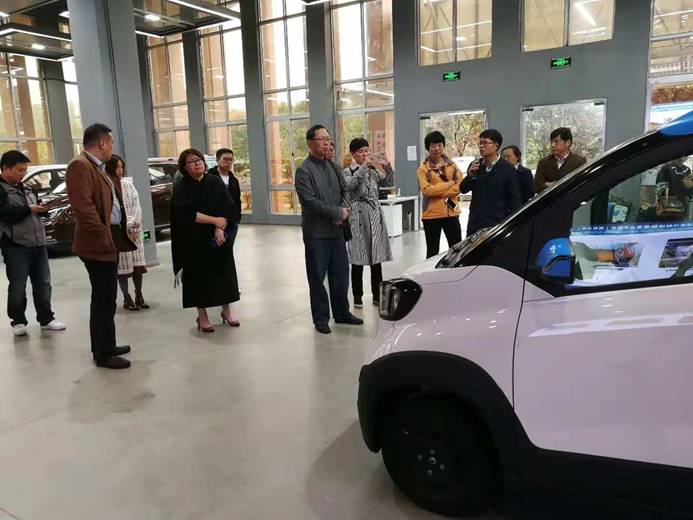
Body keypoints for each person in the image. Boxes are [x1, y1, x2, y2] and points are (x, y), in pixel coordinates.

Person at [66, 124, 137, 369]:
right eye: (111, 142)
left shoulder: (96, 166)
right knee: (103, 299)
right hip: (97, 243)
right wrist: (102, 235)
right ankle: (104, 354)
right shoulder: (80, 166)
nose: (112, 147)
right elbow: (84, 208)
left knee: (107, 298)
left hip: (108, 239)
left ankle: (106, 344)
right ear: (102, 143)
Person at [295, 124, 363, 334]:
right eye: (322, 140)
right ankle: (321, 318)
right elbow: (309, 201)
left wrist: (343, 211)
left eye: (328, 139)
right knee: (317, 277)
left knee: (341, 275)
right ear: (310, 143)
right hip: (317, 234)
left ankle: (342, 313)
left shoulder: (333, 166)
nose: (326, 143)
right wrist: (336, 213)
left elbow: (346, 191)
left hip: (337, 231)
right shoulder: (304, 171)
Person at [170, 148, 240, 332]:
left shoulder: (214, 181)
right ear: (185, 167)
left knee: (224, 272)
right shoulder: (182, 187)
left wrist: (220, 227)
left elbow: (227, 206)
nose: (197, 163)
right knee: (197, 277)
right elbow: (186, 214)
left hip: (217, 238)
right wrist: (214, 221)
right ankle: (202, 316)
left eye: (199, 159)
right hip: (194, 239)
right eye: (192, 161)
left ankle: (227, 311)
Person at [0, 150, 65, 337]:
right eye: (19, 170)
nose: (23, 174)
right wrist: (30, 209)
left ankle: (46, 319)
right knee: (18, 286)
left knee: (43, 283)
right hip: (15, 245)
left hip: (38, 242)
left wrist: (42, 209)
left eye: (25, 170)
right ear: (5, 168)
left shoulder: (27, 188)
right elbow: (6, 214)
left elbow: (36, 209)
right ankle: (18, 321)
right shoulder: (1, 191)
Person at [342, 138, 393, 307]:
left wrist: (387, 166)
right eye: (360, 152)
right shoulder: (347, 171)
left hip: (374, 213)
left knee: (376, 257)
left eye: (366, 151)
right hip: (357, 214)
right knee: (358, 256)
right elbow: (350, 185)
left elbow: (388, 183)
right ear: (353, 154)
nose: (364, 154)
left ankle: (377, 295)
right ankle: (357, 296)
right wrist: (364, 167)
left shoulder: (373, 171)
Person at [105, 154, 148, 311]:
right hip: (119, 231)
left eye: (121, 167)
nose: (120, 170)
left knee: (137, 266)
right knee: (122, 268)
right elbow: (113, 210)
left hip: (134, 231)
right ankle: (126, 297)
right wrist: (126, 225)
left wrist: (133, 226)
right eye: (117, 167)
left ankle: (139, 294)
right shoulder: (108, 186)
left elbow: (137, 206)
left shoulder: (128, 185)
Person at [461, 129, 521, 236]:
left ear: (496, 146)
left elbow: (515, 200)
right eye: (480, 143)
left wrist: (510, 227)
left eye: (485, 143)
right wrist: (470, 175)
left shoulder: (508, 169)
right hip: (475, 223)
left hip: (496, 224)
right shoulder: (475, 165)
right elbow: (463, 189)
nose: (481, 146)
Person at [417, 130, 463, 259]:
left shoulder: (452, 165)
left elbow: (460, 185)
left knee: (457, 249)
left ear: (443, 146)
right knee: (432, 251)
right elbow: (427, 191)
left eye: (439, 145)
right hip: (431, 215)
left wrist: (441, 192)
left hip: (451, 212)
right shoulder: (423, 169)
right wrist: (449, 184)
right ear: (428, 148)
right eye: (433, 145)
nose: (437, 148)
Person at [534, 127, 587, 194]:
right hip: (550, 200)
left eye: (556, 141)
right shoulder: (544, 162)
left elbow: (580, 186)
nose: (552, 145)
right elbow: (536, 187)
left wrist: (552, 185)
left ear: (568, 143)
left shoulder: (579, 161)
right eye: (551, 142)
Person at [208, 148, 242, 246]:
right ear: (217, 160)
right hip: (213, 222)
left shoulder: (234, 180)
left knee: (229, 248)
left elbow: (237, 200)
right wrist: (217, 224)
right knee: (216, 249)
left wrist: (237, 218)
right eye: (225, 159)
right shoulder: (209, 178)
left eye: (231, 160)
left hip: (231, 222)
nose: (228, 162)